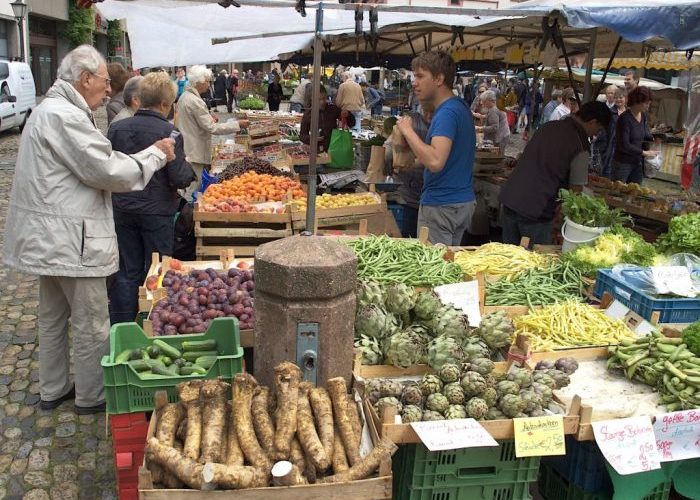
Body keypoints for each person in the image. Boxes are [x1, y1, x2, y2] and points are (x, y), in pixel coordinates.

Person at [3, 45, 176, 414]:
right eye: (102, 82)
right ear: (84, 79)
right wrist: (157, 154)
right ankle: (92, 395)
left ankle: (53, 388)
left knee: (52, 317)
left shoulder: (49, 111)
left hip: (51, 237)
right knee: (90, 321)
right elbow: (109, 170)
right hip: (70, 238)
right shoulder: (64, 115)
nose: (108, 89)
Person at [108, 72, 196, 324]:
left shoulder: (116, 128)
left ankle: (122, 327)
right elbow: (178, 177)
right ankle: (156, 322)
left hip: (122, 208)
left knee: (127, 270)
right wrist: (189, 170)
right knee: (159, 269)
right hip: (157, 212)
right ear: (166, 104)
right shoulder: (170, 132)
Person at [499, 101, 610, 245]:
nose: (596, 134)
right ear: (592, 122)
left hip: (510, 198)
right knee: (537, 261)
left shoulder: (547, 127)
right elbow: (575, 190)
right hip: (536, 209)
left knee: (507, 257)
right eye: (599, 129)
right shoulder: (579, 144)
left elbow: (524, 157)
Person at [396, 51, 476, 246]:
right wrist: (413, 161)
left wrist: (408, 131)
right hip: (461, 202)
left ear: (439, 78)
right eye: (414, 76)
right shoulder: (459, 107)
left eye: (420, 76)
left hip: (441, 205)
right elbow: (447, 157)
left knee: (435, 271)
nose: (414, 82)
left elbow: (435, 161)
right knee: (449, 266)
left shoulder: (447, 113)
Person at [177, 65, 248, 199]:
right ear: (200, 82)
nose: (209, 84)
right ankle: (186, 216)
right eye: (207, 81)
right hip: (195, 150)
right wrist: (237, 124)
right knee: (193, 188)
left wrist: (208, 116)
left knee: (189, 186)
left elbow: (195, 120)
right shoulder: (195, 101)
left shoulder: (185, 96)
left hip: (188, 147)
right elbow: (212, 128)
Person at [386, 106, 433, 238]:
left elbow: (388, 152)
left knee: (409, 237)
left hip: (409, 192)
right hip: (423, 194)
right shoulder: (442, 125)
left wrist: (392, 169)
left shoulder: (409, 122)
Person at [611, 86, 657, 184]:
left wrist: (655, 138)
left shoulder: (643, 116)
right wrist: (643, 152)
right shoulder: (625, 118)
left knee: (635, 192)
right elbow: (624, 144)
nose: (648, 106)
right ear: (637, 101)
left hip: (637, 162)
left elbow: (644, 134)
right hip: (622, 163)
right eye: (646, 103)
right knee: (617, 191)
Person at [299, 85, 354, 152]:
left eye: (324, 98)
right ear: (312, 99)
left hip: (334, 148)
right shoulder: (308, 114)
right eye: (319, 99)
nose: (322, 102)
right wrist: (312, 138)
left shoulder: (333, 109)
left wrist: (348, 115)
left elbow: (352, 123)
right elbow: (302, 135)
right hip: (317, 152)